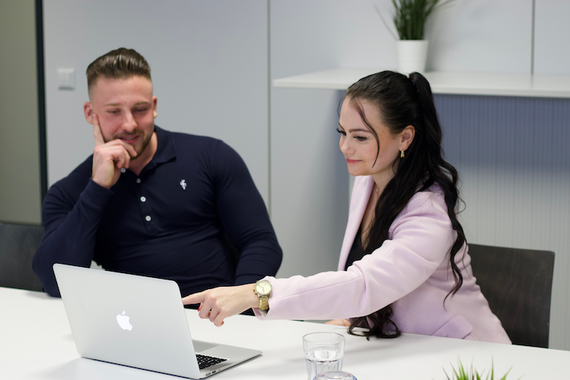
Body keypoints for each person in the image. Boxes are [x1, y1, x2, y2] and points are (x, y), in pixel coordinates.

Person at [183, 71, 511, 344]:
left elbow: (365, 284)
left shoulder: (429, 211)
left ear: (405, 138)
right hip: (399, 346)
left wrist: (259, 293)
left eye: (361, 137)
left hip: (465, 356)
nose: (345, 147)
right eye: (342, 133)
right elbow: (362, 293)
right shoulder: (368, 179)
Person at [32, 48, 282, 298]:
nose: (129, 123)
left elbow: (261, 242)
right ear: (90, 113)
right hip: (133, 323)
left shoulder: (211, 156)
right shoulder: (69, 193)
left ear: (153, 107)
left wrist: (242, 304)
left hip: (220, 318)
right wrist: (97, 188)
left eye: (139, 109)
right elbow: (55, 284)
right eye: (114, 112)